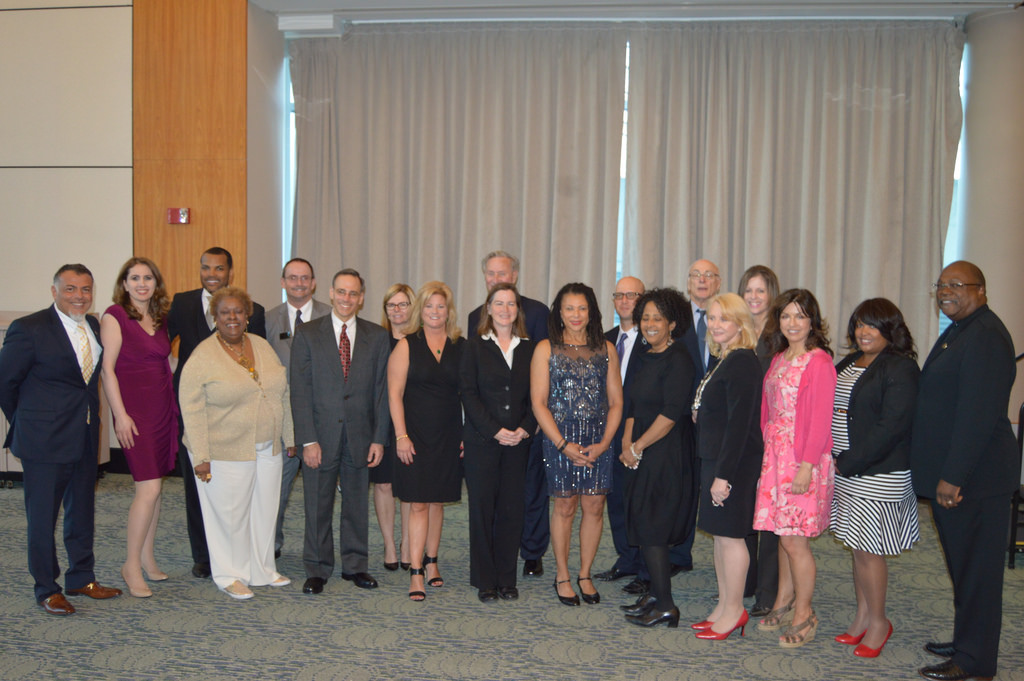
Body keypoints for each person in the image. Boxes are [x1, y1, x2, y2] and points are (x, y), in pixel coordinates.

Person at [911, 261, 1017, 681]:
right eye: (941, 285)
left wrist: (953, 476)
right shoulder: (963, 330)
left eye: (957, 285)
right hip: (963, 477)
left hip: (976, 480)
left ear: (982, 290)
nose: (946, 291)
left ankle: (975, 661)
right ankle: (967, 639)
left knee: (979, 572)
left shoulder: (987, 336)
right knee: (964, 567)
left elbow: (978, 415)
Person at [0, 264, 123, 614]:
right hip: (43, 441)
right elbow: (5, 384)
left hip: (84, 435)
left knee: (81, 511)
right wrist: (27, 422)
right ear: (54, 291)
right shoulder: (29, 328)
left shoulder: (95, 326)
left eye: (85, 289)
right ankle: (46, 588)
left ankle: (81, 577)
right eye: (70, 289)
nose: (79, 296)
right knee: (42, 518)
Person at [178, 287, 292, 600]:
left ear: (247, 315)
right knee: (230, 515)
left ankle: (262, 569)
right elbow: (191, 407)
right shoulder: (203, 354)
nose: (232, 318)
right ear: (214, 317)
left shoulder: (260, 345)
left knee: (264, 510)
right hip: (223, 448)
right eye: (225, 312)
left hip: (267, 445)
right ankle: (229, 575)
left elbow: (281, 391)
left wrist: (290, 436)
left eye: (238, 312)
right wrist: (201, 455)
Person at [167, 246, 267, 579]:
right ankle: (203, 555)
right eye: (206, 267)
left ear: (230, 272)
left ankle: (239, 551)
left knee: (238, 488)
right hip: (194, 410)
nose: (212, 274)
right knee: (198, 483)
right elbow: (160, 346)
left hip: (237, 415)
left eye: (219, 268)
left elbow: (259, 361)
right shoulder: (181, 303)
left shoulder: (254, 311)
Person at [830, 298, 920, 658]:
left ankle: (880, 622)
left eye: (873, 325)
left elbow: (892, 427)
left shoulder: (901, 368)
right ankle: (862, 616)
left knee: (870, 550)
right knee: (857, 546)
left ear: (890, 329)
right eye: (859, 324)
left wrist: (850, 460)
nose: (864, 332)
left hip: (877, 473)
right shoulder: (851, 361)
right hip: (847, 471)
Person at [290, 269, 390, 595]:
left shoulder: (377, 337)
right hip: (319, 436)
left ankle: (355, 565)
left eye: (354, 293)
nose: (347, 298)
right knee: (317, 505)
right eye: (341, 292)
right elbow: (300, 391)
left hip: (361, 436)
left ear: (361, 298)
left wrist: (378, 438)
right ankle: (317, 568)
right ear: (331, 293)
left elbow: (381, 392)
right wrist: (307, 439)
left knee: (356, 505)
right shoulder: (308, 334)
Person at [752, 288, 836, 648]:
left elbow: (820, 421)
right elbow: (767, 412)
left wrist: (805, 467)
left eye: (800, 316)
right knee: (782, 536)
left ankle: (805, 613)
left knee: (794, 541)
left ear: (812, 321)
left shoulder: (819, 362)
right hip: (776, 458)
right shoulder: (780, 358)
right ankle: (784, 600)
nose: (792, 323)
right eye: (786, 315)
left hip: (803, 460)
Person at [530, 283, 623, 607]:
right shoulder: (546, 348)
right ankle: (562, 574)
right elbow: (539, 403)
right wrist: (561, 443)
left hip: (599, 439)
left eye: (582, 308)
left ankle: (585, 573)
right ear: (559, 312)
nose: (576, 315)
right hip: (560, 438)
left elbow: (616, 402)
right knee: (565, 506)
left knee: (595, 506)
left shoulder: (606, 349)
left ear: (592, 312)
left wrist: (605, 442)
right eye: (569, 308)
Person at [99, 257, 179, 598]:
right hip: (135, 414)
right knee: (146, 489)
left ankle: (147, 557)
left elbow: (166, 362)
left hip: (163, 409)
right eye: (135, 278)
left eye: (148, 278)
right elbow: (107, 370)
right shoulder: (115, 316)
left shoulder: (159, 318)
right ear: (125, 283)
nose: (142, 283)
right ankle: (130, 564)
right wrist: (120, 415)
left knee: (156, 487)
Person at [467, 250, 550, 578]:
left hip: (525, 428)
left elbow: (541, 377)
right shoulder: (475, 323)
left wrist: (530, 425)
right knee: (486, 503)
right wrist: (490, 428)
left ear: (514, 276)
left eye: (502, 274)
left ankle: (529, 554)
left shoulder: (538, 316)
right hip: (486, 433)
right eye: (491, 274)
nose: (497, 279)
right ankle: (487, 571)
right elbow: (472, 384)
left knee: (525, 496)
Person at [617, 288, 694, 628]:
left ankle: (666, 604)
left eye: (657, 319)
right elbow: (632, 404)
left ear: (672, 324)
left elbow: (670, 414)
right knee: (643, 525)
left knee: (654, 530)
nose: (649, 324)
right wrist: (626, 443)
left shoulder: (679, 359)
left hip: (664, 455)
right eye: (645, 317)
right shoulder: (645, 355)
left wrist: (638, 447)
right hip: (640, 453)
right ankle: (653, 595)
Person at [690, 293, 763, 640]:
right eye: (713, 318)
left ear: (740, 323)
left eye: (724, 319)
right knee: (720, 537)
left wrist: (724, 476)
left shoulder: (743, 362)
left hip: (731, 464)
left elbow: (739, 424)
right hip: (715, 458)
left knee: (732, 538)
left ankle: (735, 610)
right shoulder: (724, 358)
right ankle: (724, 605)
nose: (716, 325)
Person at [460, 283, 536, 602]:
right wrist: (494, 430)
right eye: (499, 303)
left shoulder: (530, 349)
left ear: (518, 310)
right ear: (487, 309)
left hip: (519, 443)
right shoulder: (474, 347)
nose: (505, 309)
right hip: (482, 442)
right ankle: (484, 579)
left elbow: (538, 397)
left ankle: (506, 577)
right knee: (482, 510)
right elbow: (468, 394)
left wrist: (524, 429)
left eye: (511, 304)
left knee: (511, 511)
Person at [389, 281, 465, 601]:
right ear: (421, 310)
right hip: (415, 436)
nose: (435, 312)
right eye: (430, 306)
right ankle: (416, 570)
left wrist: (464, 434)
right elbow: (394, 394)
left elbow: (466, 393)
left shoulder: (460, 345)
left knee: (437, 502)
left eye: (441, 306)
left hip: (449, 435)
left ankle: (433, 562)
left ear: (449, 311)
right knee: (419, 502)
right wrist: (401, 436)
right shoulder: (407, 345)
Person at [265, 258, 331, 560]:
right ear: (282, 282)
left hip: (321, 420)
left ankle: (316, 551)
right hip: (281, 420)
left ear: (314, 283)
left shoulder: (330, 317)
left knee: (320, 493)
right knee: (275, 489)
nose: (299, 283)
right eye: (292, 278)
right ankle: (270, 544)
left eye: (305, 278)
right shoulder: (267, 320)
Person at [595, 276, 648, 586]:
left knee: (639, 501)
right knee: (614, 499)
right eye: (620, 295)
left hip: (641, 433)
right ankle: (626, 558)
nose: (625, 300)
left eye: (633, 295)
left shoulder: (654, 339)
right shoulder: (605, 339)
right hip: (609, 432)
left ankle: (645, 567)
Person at [737, 264, 781, 617]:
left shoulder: (780, 334)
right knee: (747, 511)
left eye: (760, 290)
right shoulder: (736, 331)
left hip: (771, 435)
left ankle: (769, 589)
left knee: (768, 518)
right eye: (748, 290)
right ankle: (748, 580)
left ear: (772, 295)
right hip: (742, 434)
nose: (753, 297)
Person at [375, 283, 415, 572]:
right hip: (380, 422)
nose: (397, 310)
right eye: (392, 305)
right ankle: (389, 544)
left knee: (409, 488)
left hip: (413, 422)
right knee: (384, 483)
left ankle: (406, 544)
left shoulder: (421, 340)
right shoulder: (375, 340)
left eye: (403, 304)